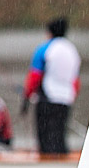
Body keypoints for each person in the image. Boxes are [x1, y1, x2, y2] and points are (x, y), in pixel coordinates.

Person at [22, 16, 81, 154]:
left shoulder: (45, 49)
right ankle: (61, 160)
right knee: (59, 136)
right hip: (66, 100)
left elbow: (35, 76)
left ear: (50, 32)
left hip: (47, 99)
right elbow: (76, 81)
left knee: (45, 139)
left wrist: (27, 97)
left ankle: (46, 164)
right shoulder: (72, 51)